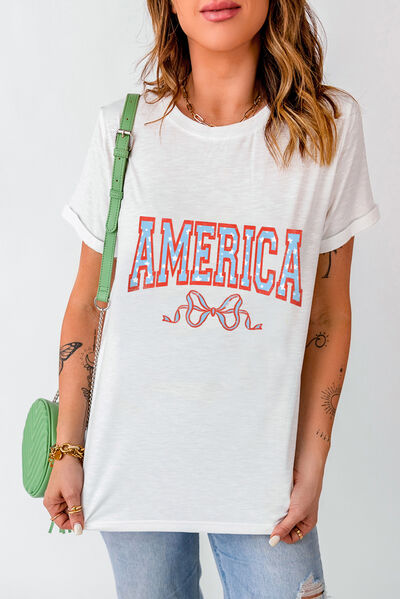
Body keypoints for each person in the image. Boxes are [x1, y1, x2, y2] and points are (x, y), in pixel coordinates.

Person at [43, 0, 380, 597]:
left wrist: (311, 468)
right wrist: (66, 449)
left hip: (265, 483)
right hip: (131, 471)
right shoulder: (124, 130)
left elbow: (328, 313)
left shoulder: (326, 128)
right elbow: (87, 305)